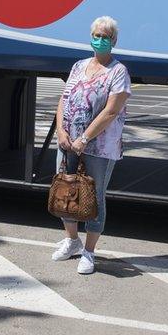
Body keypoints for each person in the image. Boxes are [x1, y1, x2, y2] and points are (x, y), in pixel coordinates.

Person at [51, 16, 131, 274]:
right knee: (67, 190)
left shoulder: (118, 72)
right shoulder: (78, 66)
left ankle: (89, 251)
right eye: (96, 35)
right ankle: (72, 241)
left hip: (98, 146)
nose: (100, 40)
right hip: (68, 142)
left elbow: (111, 111)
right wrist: (61, 132)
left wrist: (84, 139)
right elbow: (64, 100)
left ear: (114, 41)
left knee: (94, 198)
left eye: (105, 36)